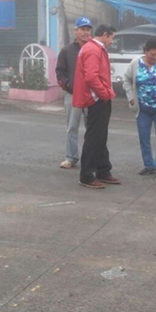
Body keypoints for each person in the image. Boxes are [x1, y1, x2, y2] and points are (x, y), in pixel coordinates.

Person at [123, 37, 156, 180]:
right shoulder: (135, 63)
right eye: (153, 54)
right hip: (142, 108)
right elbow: (126, 80)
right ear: (145, 51)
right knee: (144, 137)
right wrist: (131, 97)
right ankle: (148, 165)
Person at [73, 24, 119, 189]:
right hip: (96, 99)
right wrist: (104, 94)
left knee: (100, 135)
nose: (112, 41)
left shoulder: (95, 48)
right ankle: (87, 175)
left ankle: (103, 170)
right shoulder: (93, 49)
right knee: (94, 137)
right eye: (112, 37)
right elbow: (91, 77)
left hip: (99, 97)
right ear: (105, 35)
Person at [55, 17, 91, 169]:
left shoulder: (94, 49)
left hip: (91, 95)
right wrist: (69, 85)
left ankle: (91, 158)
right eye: (82, 29)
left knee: (92, 128)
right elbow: (60, 72)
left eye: (88, 29)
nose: (85, 32)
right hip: (73, 94)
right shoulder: (67, 51)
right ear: (75, 31)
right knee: (72, 127)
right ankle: (71, 157)